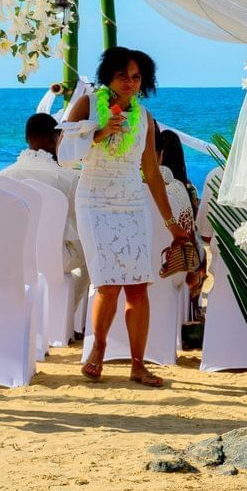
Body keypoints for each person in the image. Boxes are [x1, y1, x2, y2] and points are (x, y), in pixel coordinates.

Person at [61, 48, 192, 387]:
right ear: (109, 76)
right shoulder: (88, 104)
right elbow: (64, 152)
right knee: (107, 283)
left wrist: (170, 222)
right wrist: (100, 132)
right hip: (95, 199)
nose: (130, 83)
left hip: (133, 202)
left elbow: (150, 171)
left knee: (137, 285)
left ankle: (138, 363)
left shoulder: (145, 118)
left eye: (136, 77)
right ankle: (98, 349)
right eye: (123, 75)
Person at [0, 113, 90, 330]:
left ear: (27, 138)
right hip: (54, 258)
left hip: (10, 255)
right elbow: (83, 227)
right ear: (55, 139)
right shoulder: (68, 178)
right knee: (90, 254)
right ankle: (63, 315)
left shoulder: (2, 176)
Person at [155, 126, 205, 328]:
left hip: (153, 255)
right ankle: (193, 304)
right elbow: (193, 228)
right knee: (200, 253)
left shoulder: (139, 185)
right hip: (175, 259)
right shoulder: (185, 188)